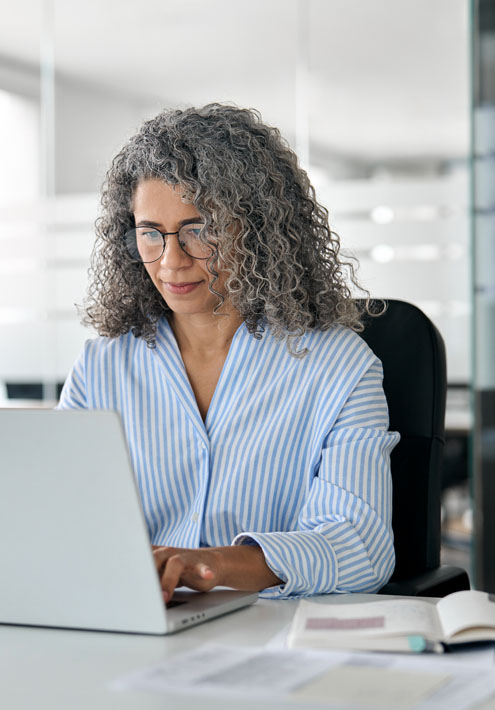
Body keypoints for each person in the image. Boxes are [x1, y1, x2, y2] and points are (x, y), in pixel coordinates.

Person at [56, 103, 399, 601]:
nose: (171, 260)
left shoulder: (340, 368)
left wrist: (209, 565)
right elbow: (57, 517)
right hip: (133, 628)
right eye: (151, 233)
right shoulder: (101, 367)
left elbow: (360, 548)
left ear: (258, 231)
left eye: (200, 230)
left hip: (273, 638)